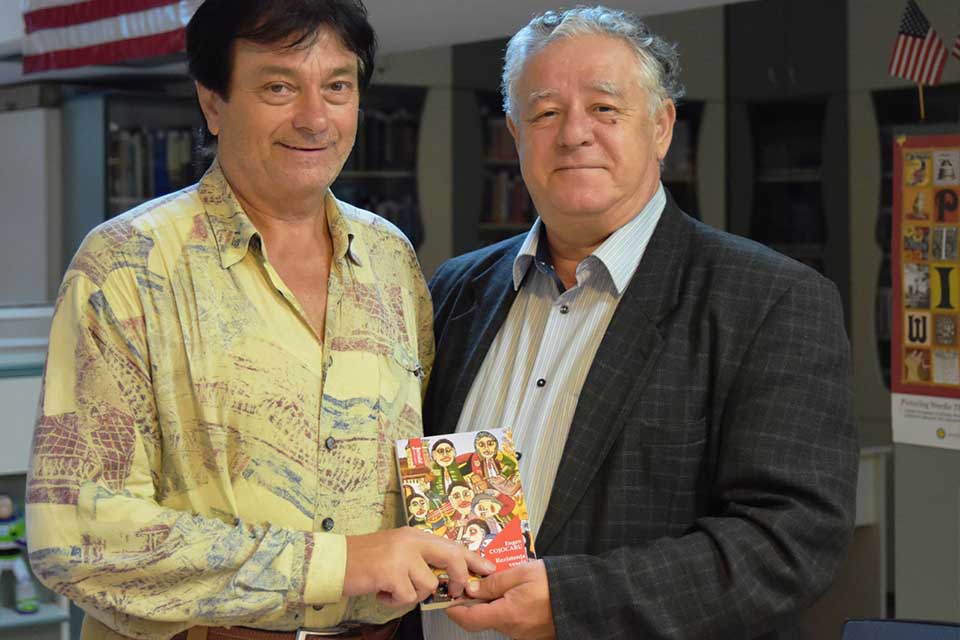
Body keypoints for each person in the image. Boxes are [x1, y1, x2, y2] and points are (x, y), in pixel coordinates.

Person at [25, 2, 492, 639]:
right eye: (278, 87)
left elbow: (425, 457)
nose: (315, 118)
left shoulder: (391, 257)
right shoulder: (126, 263)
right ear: (212, 103)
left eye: (337, 86)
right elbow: (77, 534)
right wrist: (338, 565)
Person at [421, 6, 858, 640]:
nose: (574, 134)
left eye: (604, 109)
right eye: (545, 113)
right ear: (515, 134)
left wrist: (570, 602)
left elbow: (790, 542)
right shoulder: (456, 289)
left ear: (661, 127)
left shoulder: (772, 300)